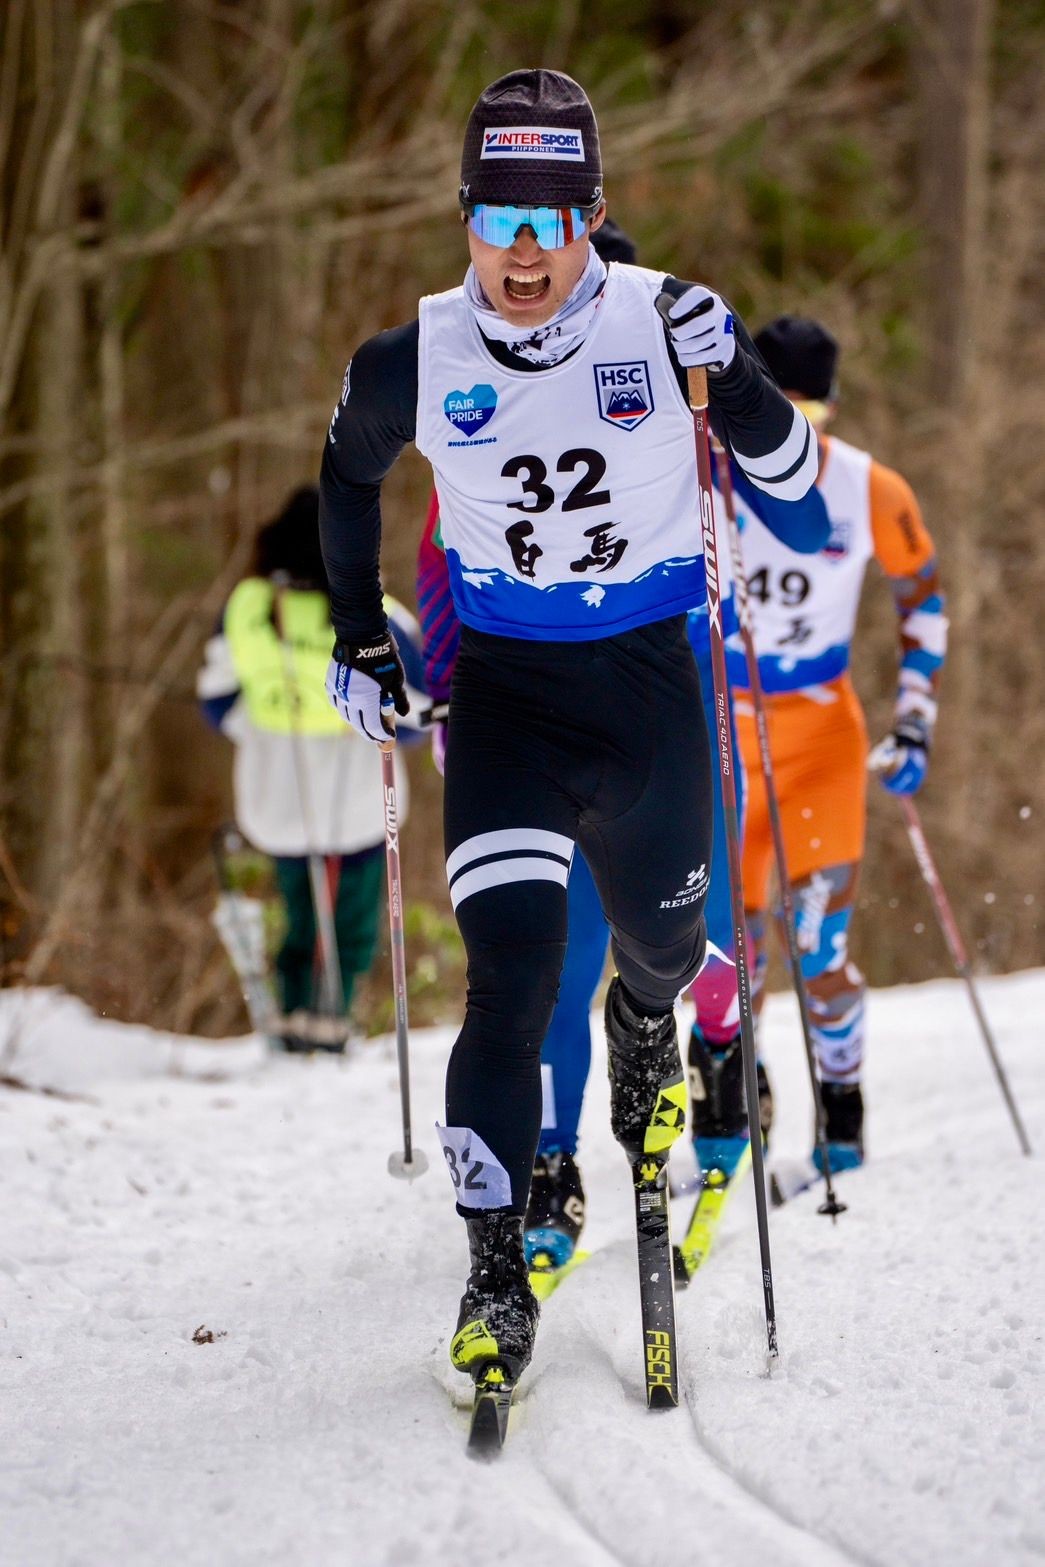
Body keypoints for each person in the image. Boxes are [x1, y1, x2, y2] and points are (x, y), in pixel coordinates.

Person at [319, 69, 819, 1386]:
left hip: (650, 689)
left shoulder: (665, 325)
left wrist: (745, 379)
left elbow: (794, 492)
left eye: (554, 216)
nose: (527, 249)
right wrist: (361, 634)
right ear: (465, 216)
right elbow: (345, 474)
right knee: (509, 972)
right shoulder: (412, 355)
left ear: (593, 214)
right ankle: (495, 1272)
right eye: (501, 214)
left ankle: (648, 1026)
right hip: (506, 698)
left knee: (661, 949)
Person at [416, 217, 830, 1278]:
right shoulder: (489, 408)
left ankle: (724, 1050)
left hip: (668, 694)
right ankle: (550, 1155)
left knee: (683, 927)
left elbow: (792, 516)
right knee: (552, 958)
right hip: (534, 715)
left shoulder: (679, 398)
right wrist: (436, 689)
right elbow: (438, 560)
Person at [725, 316, 948, 1170]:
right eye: (770, 413)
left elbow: (923, 601)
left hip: (819, 735)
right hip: (725, 738)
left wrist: (915, 716)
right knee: (730, 961)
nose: (789, 438)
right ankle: (732, 1106)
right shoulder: (700, 477)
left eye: (808, 419)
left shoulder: (867, 486)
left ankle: (842, 1107)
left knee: (817, 945)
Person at [197, 486, 425, 1047]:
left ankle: (294, 1009)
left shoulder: (249, 607)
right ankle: (334, 1013)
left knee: (300, 908)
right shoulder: (374, 610)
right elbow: (416, 712)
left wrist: (257, 721)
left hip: (277, 786)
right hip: (359, 791)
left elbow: (216, 698)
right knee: (352, 914)